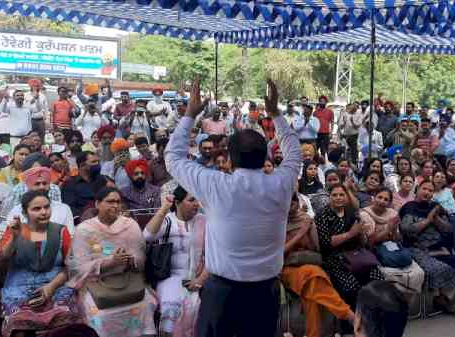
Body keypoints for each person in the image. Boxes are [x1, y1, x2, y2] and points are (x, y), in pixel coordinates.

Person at [165, 78, 300, 337]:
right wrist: (275, 114)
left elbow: (172, 157)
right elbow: (294, 151)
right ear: (266, 157)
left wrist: (190, 114)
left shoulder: (215, 185)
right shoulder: (282, 183)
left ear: (229, 158)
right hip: (265, 293)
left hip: (221, 293)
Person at [67, 187, 158, 337]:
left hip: (128, 279)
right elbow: (79, 267)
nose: (115, 205)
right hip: (96, 283)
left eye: (118, 202)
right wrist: (110, 262)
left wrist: (130, 260)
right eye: (110, 202)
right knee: (99, 314)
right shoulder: (84, 229)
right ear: (97, 204)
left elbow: (141, 258)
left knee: (146, 304)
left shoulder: (130, 225)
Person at [0, 191, 87, 337]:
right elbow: (2, 259)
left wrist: (51, 287)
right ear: (25, 212)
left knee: (68, 322)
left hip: (56, 286)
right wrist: (15, 237)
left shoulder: (60, 231)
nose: (44, 212)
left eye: (46, 207)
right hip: (19, 289)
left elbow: (69, 266)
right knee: (19, 324)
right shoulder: (15, 230)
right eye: (36, 209)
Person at [281, 193, 355, 337]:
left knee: (311, 290)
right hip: (287, 267)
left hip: (308, 262)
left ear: (298, 203)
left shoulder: (306, 219)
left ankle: (313, 334)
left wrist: (309, 230)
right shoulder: (275, 223)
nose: (289, 207)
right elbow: (278, 253)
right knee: (312, 275)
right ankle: (348, 314)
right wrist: (301, 233)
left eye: (293, 203)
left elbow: (315, 249)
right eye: (285, 204)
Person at [144, 186, 207, 337]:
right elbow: (146, 236)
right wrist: (164, 208)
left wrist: (200, 280)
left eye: (197, 200)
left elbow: (214, 255)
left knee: (200, 307)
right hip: (170, 276)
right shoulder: (167, 221)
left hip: (201, 275)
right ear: (177, 202)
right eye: (191, 200)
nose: (196, 204)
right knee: (171, 306)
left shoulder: (204, 221)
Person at [400, 181, 455, 314]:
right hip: (417, 246)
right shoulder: (409, 207)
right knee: (433, 268)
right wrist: (427, 220)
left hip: (439, 245)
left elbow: (448, 229)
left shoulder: (436, 207)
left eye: (430, 190)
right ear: (417, 190)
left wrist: (436, 219)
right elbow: (407, 230)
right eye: (424, 189)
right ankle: (437, 296)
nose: (427, 192)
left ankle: (444, 297)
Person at [316, 184, 384, 306]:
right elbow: (325, 243)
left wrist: (362, 234)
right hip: (335, 258)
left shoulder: (351, 212)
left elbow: (362, 242)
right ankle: (352, 320)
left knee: (378, 279)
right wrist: (350, 233)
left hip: (355, 254)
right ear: (329, 197)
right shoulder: (323, 215)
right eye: (334, 195)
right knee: (352, 288)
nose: (338, 198)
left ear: (346, 196)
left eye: (341, 195)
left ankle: (374, 317)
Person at [361, 188, 425, 295]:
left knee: (412, 266)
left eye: (386, 199)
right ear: (373, 198)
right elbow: (370, 241)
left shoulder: (392, 213)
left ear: (389, 203)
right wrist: (387, 229)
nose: (382, 201)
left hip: (392, 246)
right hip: (373, 248)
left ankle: (403, 299)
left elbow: (397, 238)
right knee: (391, 266)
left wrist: (394, 230)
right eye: (379, 197)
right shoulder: (364, 214)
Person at [0, 167, 75, 236]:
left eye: (45, 183)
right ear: (28, 187)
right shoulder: (16, 211)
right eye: (37, 184)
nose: (41, 187)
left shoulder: (63, 209)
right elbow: (8, 237)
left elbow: (70, 236)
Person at [62, 151, 107, 218]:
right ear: (82, 165)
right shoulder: (70, 184)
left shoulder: (101, 179)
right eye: (93, 162)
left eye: (98, 161)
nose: (97, 164)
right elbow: (70, 208)